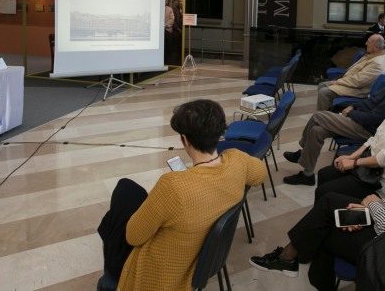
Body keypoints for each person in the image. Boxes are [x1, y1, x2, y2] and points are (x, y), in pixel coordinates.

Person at [249, 98, 385, 291]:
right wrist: (368, 210)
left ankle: (293, 261)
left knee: (326, 230)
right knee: (330, 203)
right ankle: (291, 259)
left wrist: (373, 206)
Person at [96, 99, 267, 291]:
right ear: (221, 134)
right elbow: (260, 174)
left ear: (184, 140)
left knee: (120, 203)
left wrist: (158, 197)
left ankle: (111, 277)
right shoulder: (237, 160)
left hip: (161, 276)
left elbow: (133, 237)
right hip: (203, 258)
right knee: (127, 189)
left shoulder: (173, 186)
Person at [283, 66, 385, 186]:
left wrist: (350, 114)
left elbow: (372, 120)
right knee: (316, 130)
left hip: (365, 128)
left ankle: (302, 150)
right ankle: (308, 174)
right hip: (361, 122)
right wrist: (352, 106)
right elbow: (368, 102)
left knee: (318, 116)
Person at [316, 34, 385, 111]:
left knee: (324, 92)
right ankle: (327, 112)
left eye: (369, 42)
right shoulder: (373, 54)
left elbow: (358, 81)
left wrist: (338, 82)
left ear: (376, 47)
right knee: (321, 85)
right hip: (350, 83)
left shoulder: (377, 63)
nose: (366, 43)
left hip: (358, 90)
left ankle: (322, 119)